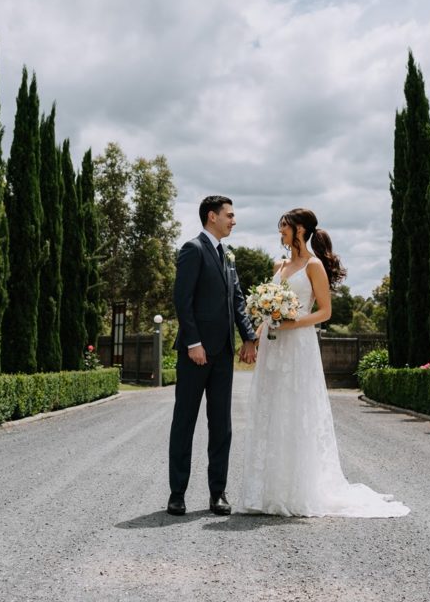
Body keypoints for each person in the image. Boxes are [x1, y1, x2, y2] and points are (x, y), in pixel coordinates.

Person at [235, 208, 410, 517]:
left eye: (285, 228)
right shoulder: (279, 265)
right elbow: (267, 311)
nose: (281, 233)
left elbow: (325, 312)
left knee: (296, 410)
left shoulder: (314, 266)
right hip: (274, 347)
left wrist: (294, 323)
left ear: (300, 230)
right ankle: (267, 492)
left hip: (299, 345)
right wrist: (258, 334)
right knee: (271, 408)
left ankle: (298, 490)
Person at [166, 195, 259, 516]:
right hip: (195, 354)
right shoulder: (192, 249)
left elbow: (237, 299)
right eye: (229, 215)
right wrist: (192, 343)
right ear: (211, 217)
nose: (234, 221)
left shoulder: (228, 256)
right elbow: (183, 299)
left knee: (222, 425)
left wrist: (249, 337)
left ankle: (217, 493)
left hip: (222, 356)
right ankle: (177, 493)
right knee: (184, 422)